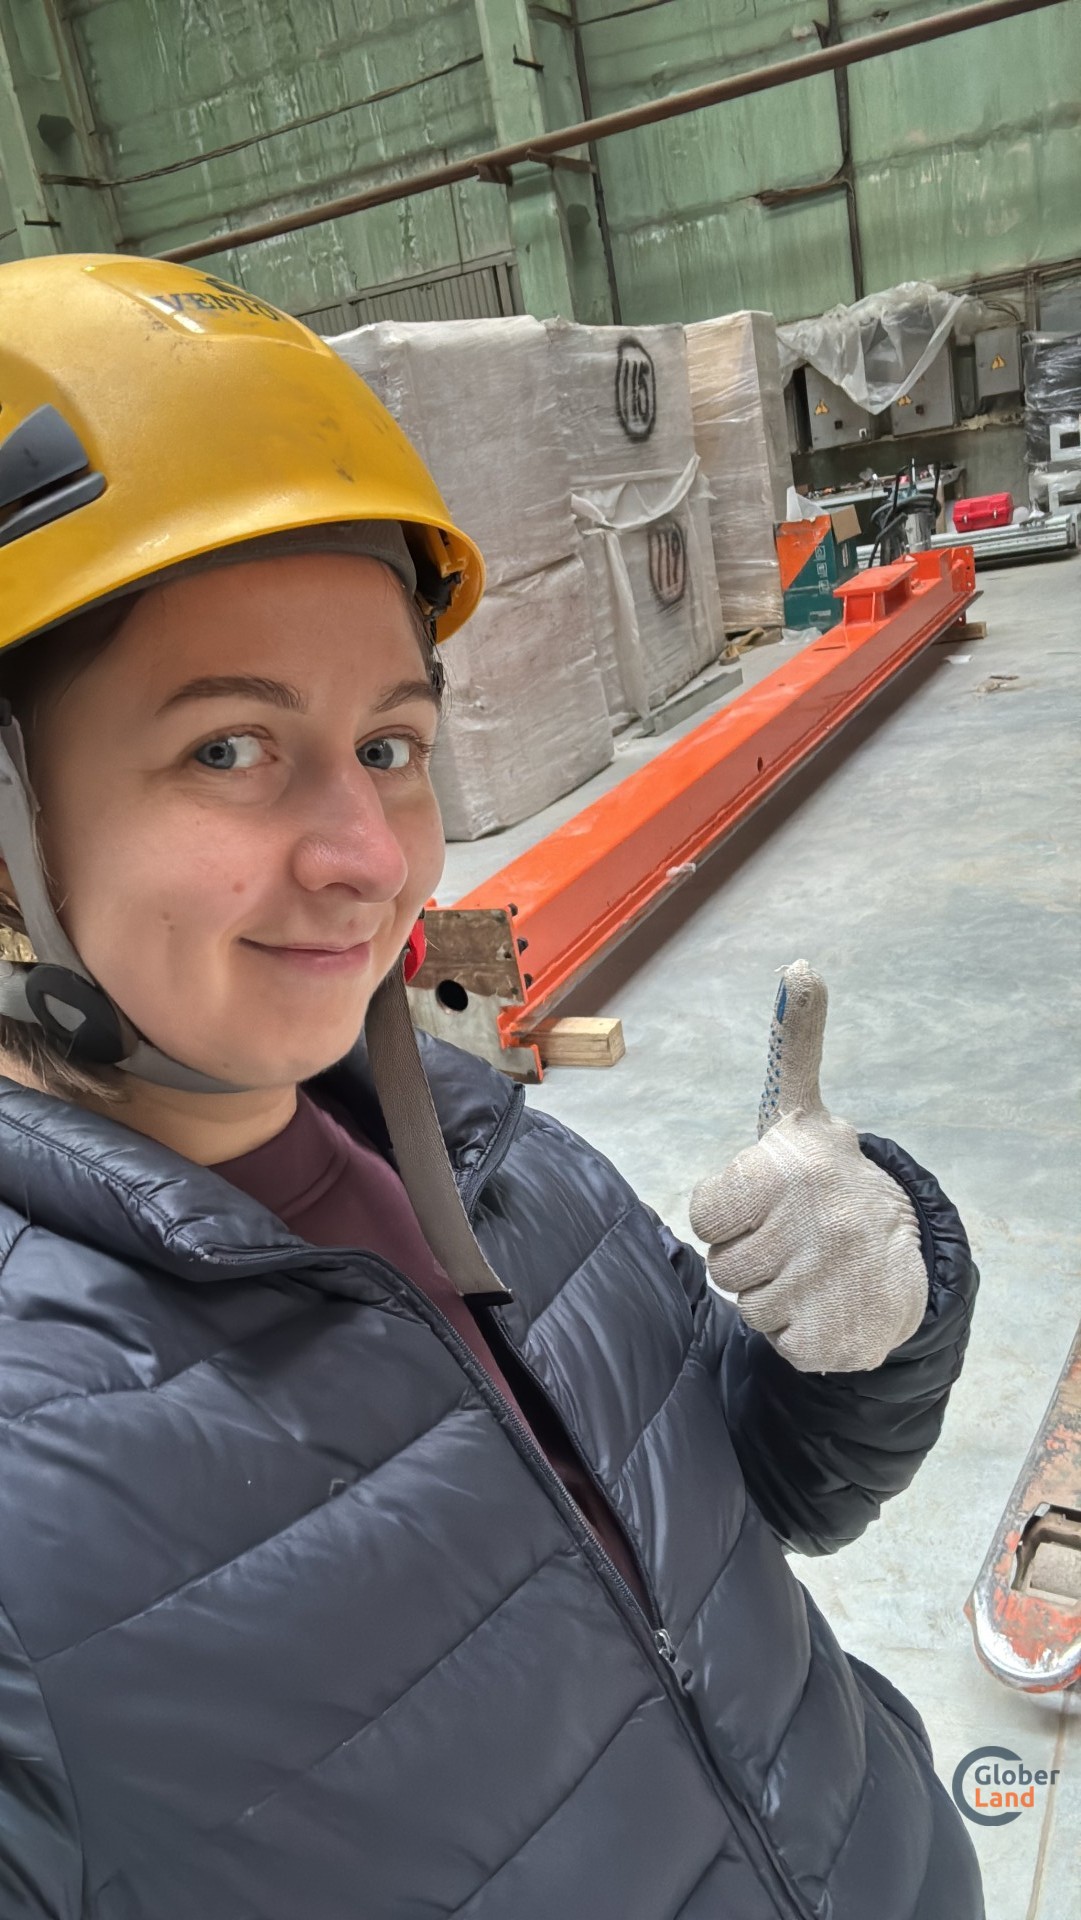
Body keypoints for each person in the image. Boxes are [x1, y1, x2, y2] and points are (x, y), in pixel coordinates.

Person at [0, 254, 983, 1920]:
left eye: (389, 745)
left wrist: (868, 1323)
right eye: (229, 748)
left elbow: (762, 1497)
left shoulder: (497, 1165)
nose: (368, 854)